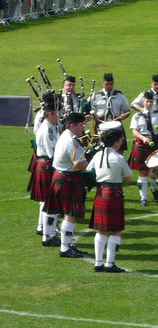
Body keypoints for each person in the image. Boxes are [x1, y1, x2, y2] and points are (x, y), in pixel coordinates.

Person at [87, 128, 133, 273]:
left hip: (100, 193)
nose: (121, 143)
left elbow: (89, 172)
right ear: (116, 142)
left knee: (101, 230)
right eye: (120, 141)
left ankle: (98, 263)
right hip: (114, 194)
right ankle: (110, 263)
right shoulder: (120, 158)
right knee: (116, 230)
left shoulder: (97, 155)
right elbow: (128, 178)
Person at [45, 112, 89, 258]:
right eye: (81, 124)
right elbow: (84, 166)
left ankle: (69, 244)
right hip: (68, 178)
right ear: (72, 125)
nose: (83, 127)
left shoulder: (66, 136)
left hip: (61, 176)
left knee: (68, 214)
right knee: (71, 214)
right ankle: (65, 247)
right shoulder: (71, 142)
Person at [30, 92, 61, 247]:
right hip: (48, 164)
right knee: (49, 202)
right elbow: (52, 152)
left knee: (47, 201)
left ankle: (47, 231)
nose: (59, 116)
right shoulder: (47, 130)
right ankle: (48, 235)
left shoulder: (50, 126)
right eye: (57, 114)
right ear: (50, 114)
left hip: (45, 165)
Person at [129, 91, 158, 206]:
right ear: (143, 102)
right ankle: (143, 198)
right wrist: (143, 138)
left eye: (151, 102)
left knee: (153, 172)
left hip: (155, 143)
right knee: (143, 172)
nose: (149, 104)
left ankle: (154, 188)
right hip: (141, 144)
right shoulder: (137, 116)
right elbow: (134, 131)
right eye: (147, 102)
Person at [89, 72, 130, 151]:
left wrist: (125, 115)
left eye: (111, 84)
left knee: (118, 150)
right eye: (107, 84)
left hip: (116, 125)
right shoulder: (96, 95)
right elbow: (90, 108)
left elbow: (127, 111)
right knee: (99, 150)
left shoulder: (120, 95)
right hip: (100, 125)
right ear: (103, 83)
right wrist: (94, 114)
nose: (109, 86)